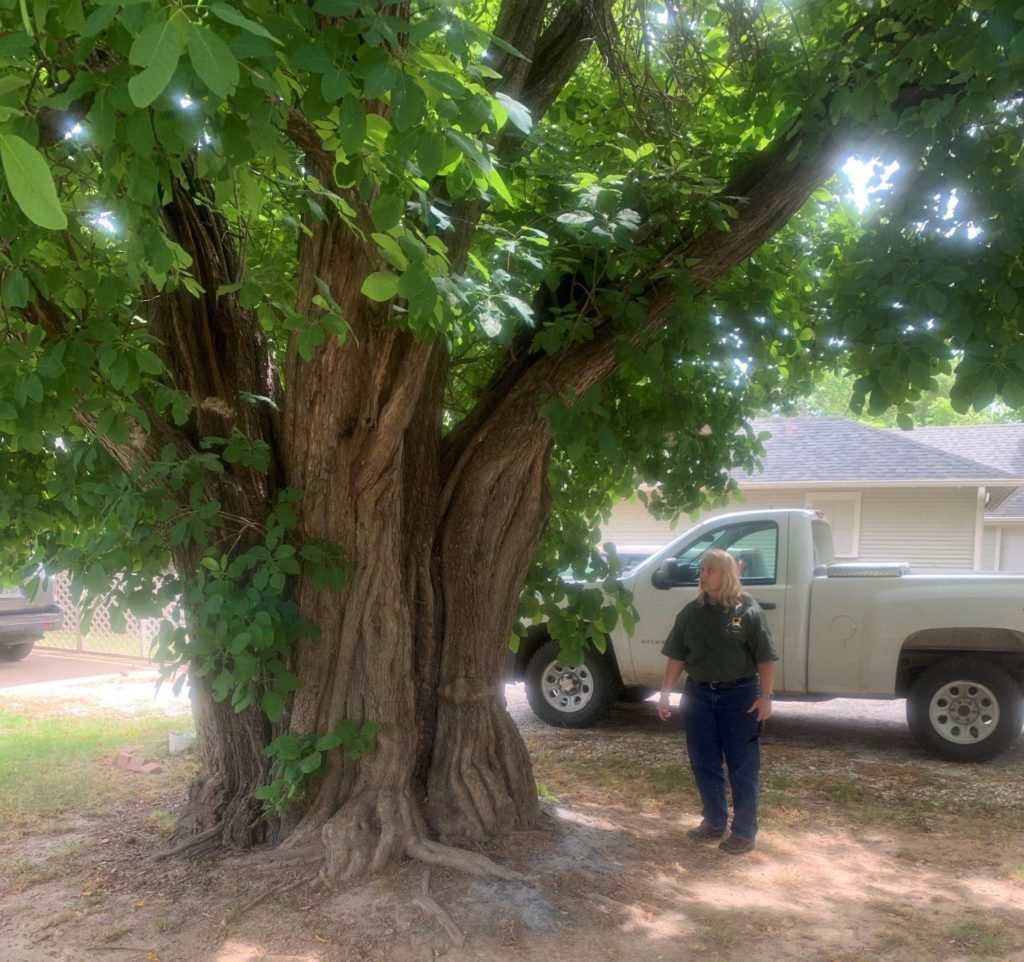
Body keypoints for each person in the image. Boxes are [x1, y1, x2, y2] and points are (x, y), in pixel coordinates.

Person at [657, 548, 779, 854]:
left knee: (742, 765)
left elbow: (765, 659)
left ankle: (744, 832)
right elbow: (677, 655)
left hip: (739, 696)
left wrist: (766, 697)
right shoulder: (690, 613)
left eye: (710, 571)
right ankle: (713, 821)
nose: (703, 575)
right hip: (698, 694)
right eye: (702, 570)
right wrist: (666, 692)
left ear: (726, 575)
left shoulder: (748, 610)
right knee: (703, 762)